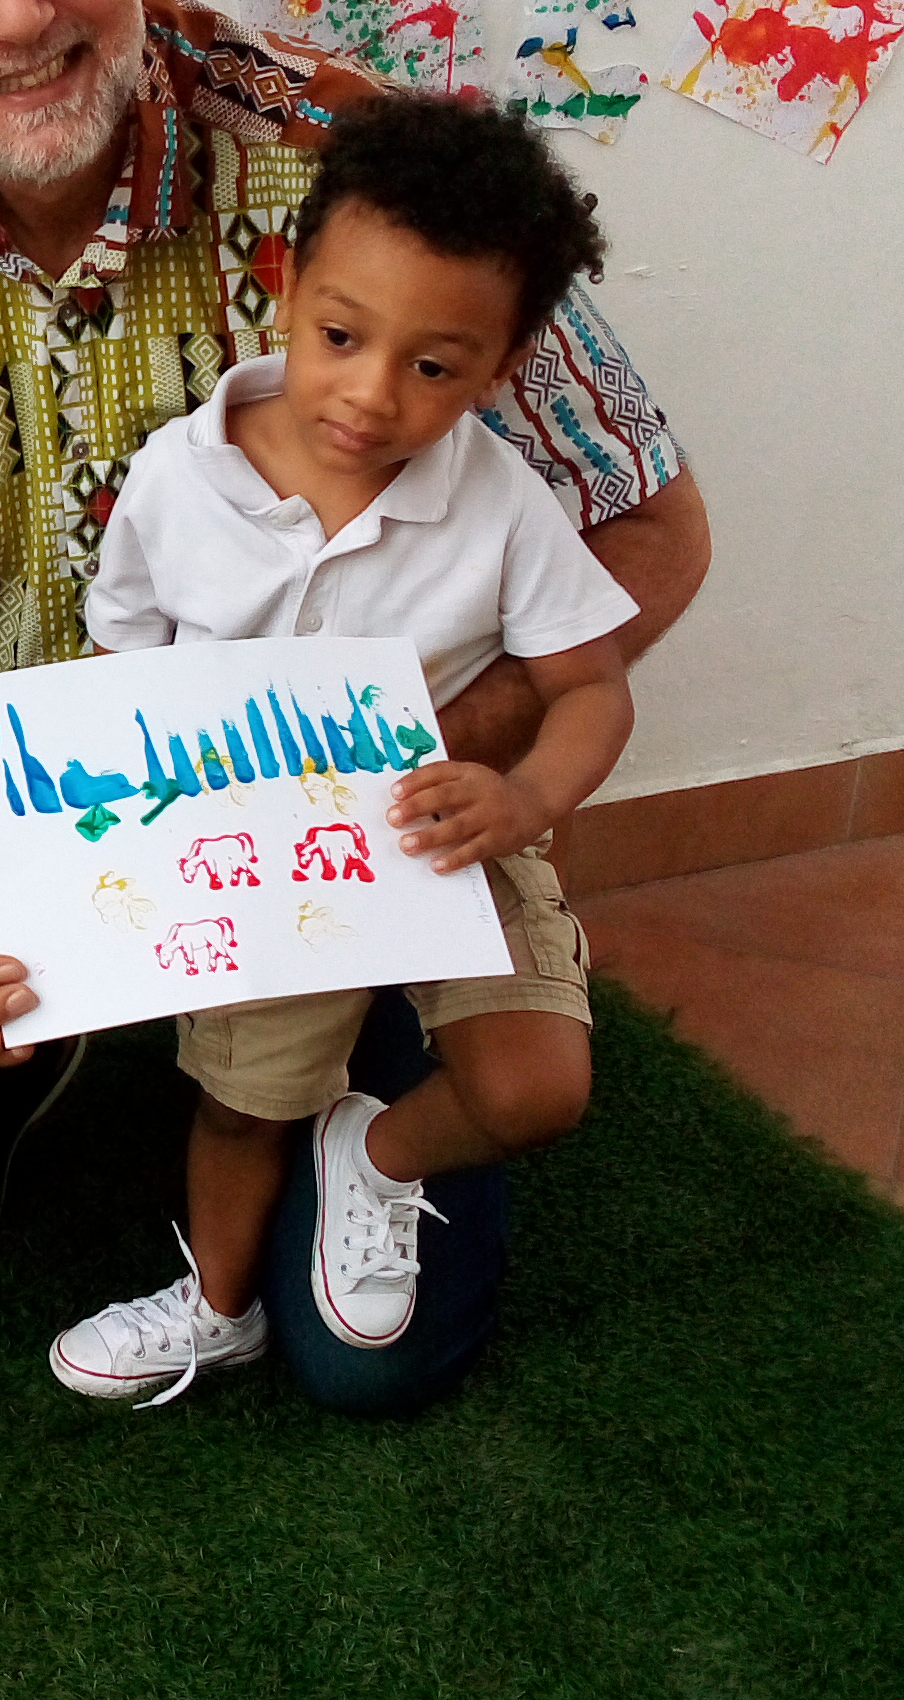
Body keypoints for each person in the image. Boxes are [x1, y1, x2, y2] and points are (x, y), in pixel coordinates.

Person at [0, 0, 710, 1416]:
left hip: (369, 807)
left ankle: (344, 1124)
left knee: (366, 1371)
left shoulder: (358, 166)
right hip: (60, 785)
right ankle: (10, 1074)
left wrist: (428, 772)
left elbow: (647, 525)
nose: (16, 15)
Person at [47, 94, 636, 1402]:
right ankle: (219, 1307)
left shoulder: (503, 504)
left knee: (537, 1091)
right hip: (260, 865)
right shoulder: (177, 478)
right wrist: (116, 867)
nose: (371, 395)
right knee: (241, 1106)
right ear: (287, 284)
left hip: (443, 836)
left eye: (434, 367)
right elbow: (117, 670)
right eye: (340, 336)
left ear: (503, 364)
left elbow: (592, 689)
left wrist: (524, 795)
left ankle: (373, 1155)